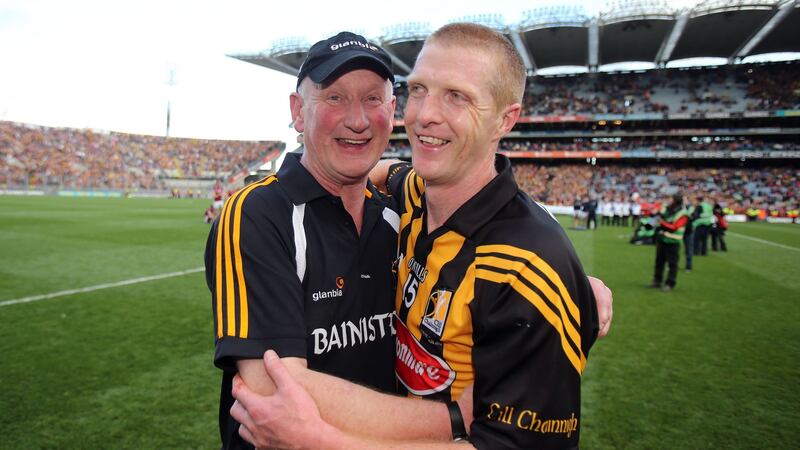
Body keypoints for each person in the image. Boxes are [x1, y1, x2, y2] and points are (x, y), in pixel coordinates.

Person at [231, 23, 606, 449]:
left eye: (457, 96)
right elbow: (378, 171)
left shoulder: (531, 266)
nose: (425, 113)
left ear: (506, 118)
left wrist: (324, 442)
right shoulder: (412, 195)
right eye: (420, 89)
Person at [650, 193, 688, 292]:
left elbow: (674, 227)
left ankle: (670, 283)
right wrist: (655, 215)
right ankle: (657, 281)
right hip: (662, 239)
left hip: (673, 241)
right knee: (659, 262)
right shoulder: (667, 209)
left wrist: (661, 222)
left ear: (675, 200)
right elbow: (659, 215)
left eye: (670, 199)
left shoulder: (683, 213)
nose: (668, 200)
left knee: (672, 264)